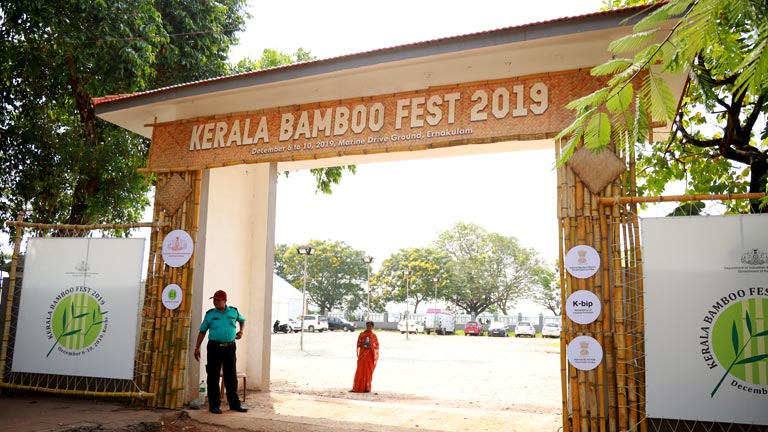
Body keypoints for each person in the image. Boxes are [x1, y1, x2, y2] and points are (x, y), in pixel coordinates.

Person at [194, 290, 248, 414]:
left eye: (218, 300)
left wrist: (241, 331)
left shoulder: (234, 311)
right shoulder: (210, 314)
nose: (215, 302)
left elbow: (242, 320)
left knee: (231, 376)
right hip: (214, 347)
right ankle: (214, 405)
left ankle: (234, 404)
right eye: (214, 300)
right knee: (213, 376)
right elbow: (202, 331)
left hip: (230, 347)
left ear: (225, 300)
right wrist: (197, 347)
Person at [351, 321, 379, 393]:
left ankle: (367, 387)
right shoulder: (361, 334)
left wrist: (369, 345)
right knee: (359, 370)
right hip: (362, 356)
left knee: (368, 372)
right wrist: (365, 344)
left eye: (370, 326)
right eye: (367, 326)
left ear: (372, 327)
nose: (368, 327)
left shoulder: (373, 336)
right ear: (366, 326)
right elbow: (359, 343)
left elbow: (375, 346)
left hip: (369, 357)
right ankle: (357, 387)